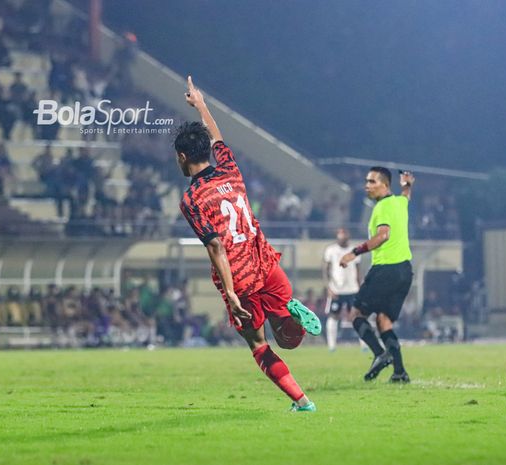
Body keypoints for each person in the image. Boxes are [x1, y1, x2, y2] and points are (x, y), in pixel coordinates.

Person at [177, 76, 321, 412]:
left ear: (183, 156)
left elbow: (216, 247)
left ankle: (302, 401)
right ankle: (290, 317)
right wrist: (201, 105)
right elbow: (217, 136)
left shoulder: (192, 198)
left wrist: (229, 292)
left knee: (259, 345)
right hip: (266, 263)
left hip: (240, 278)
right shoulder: (230, 169)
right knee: (287, 339)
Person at [340, 167, 415, 383]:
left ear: (384, 185)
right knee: (384, 320)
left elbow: (383, 236)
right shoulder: (400, 202)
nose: (367, 185)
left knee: (356, 315)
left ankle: (380, 353)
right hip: (404, 271)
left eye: (372, 181)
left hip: (386, 269)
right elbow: (406, 196)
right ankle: (400, 372)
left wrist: (354, 253)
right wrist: (407, 184)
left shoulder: (381, 207)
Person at [323, 227, 361, 352]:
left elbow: (358, 270)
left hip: (352, 289)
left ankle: (364, 345)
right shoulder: (331, 250)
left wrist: (360, 287)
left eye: (345, 234)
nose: (342, 236)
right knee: (333, 316)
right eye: (340, 234)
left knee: (357, 316)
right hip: (336, 289)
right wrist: (328, 287)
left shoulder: (355, 250)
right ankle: (332, 346)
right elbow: (326, 269)